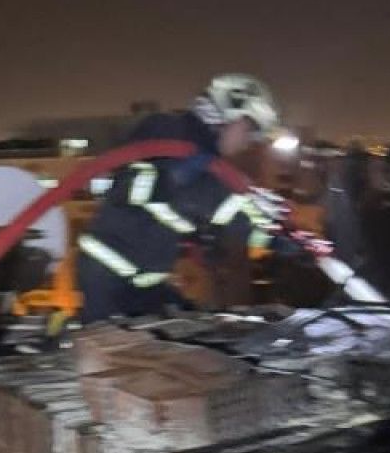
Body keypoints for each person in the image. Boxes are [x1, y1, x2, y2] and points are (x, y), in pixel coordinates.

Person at [76, 74, 286, 323]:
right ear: (226, 116)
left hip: (141, 282)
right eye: (249, 130)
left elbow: (193, 206)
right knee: (112, 346)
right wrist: (272, 233)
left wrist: (274, 235)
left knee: (196, 327)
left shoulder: (204, 158)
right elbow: (159, 193)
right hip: (107, 278)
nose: (248, 142)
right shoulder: (166, 130)